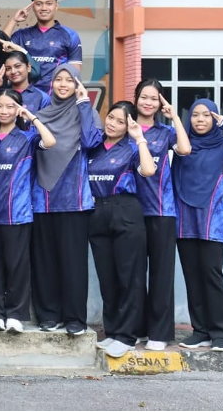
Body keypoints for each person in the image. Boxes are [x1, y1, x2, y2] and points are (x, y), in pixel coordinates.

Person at [173, 99, 223, 352]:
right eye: (195, 115)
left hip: (213, 223)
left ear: (215, 119)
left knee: (211, 276)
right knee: (192, 277)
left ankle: (220, 334)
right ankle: (200, 332)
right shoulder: (183, 147)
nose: (200, 119)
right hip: (185, 221)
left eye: (206, 115)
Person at [30, 64, 103, 336]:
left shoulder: (86, 113)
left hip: (74, 199)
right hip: (43, 198)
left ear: (77, 85)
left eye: (69, 80)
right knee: (45, 261)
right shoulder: (42, 115)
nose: (63, 84)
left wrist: (84, 104)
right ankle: (48, 315)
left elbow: (92, 142)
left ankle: (74, 318)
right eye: (58, 79)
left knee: (73, 262)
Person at [0, 88, 55, 335]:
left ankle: (15, 314)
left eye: (10, 106)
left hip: (18, 212)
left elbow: (50, 141)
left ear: (18, 109)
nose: (4, 111)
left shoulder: (27, 138)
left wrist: (31, 117)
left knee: (17, 266)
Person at [87, 101, 157, 359]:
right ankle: (113, 331)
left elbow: (148, 170)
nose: (112, 124)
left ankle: (127, 336)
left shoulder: (132, 147)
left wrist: (139, 138)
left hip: (125, 211)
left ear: (129, 125)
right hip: (97, 212)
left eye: (120, 121)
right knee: (107, 278)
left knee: (129, 277)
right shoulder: (94, 146)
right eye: (111, 118)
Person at [132, 79, 191, 351]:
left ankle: (159, 332)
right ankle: (136, 329)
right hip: (131, 212)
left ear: (160, 103)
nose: (148, 102)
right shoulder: (126, 129)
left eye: (154, 98)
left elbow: (185, 149)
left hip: (161, 211)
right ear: (135, 99)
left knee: (161, 274)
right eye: (144, 97)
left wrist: (175, 116)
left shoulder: (165, 132)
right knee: (133, 274)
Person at [5, 0, 83, 93]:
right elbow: (0, 45)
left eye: (49, 3)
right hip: (26, 97)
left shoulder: (70, 35)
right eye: (39, 4)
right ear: (33, 7)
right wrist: (14, 20)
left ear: (56, 6)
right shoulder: (22, 35)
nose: (44, 8)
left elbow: (75, 74)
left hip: (56, 98)